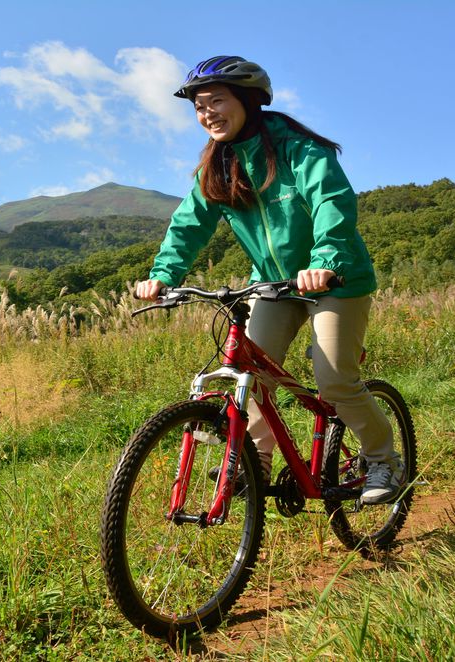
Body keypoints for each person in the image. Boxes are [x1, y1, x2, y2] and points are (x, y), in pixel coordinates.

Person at [133, 55, 402, 504]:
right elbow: (188, 225)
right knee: (250, 376)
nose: (207, 113)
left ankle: (382, 459)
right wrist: (163, 275)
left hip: (334, 280)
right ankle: (253, 463)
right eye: (199, 106)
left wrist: (327, 260)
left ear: (249, 100)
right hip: (273, 285)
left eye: (217, 100)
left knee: (335, 382)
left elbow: (331, 204)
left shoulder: (300, 150)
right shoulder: (216, 166)